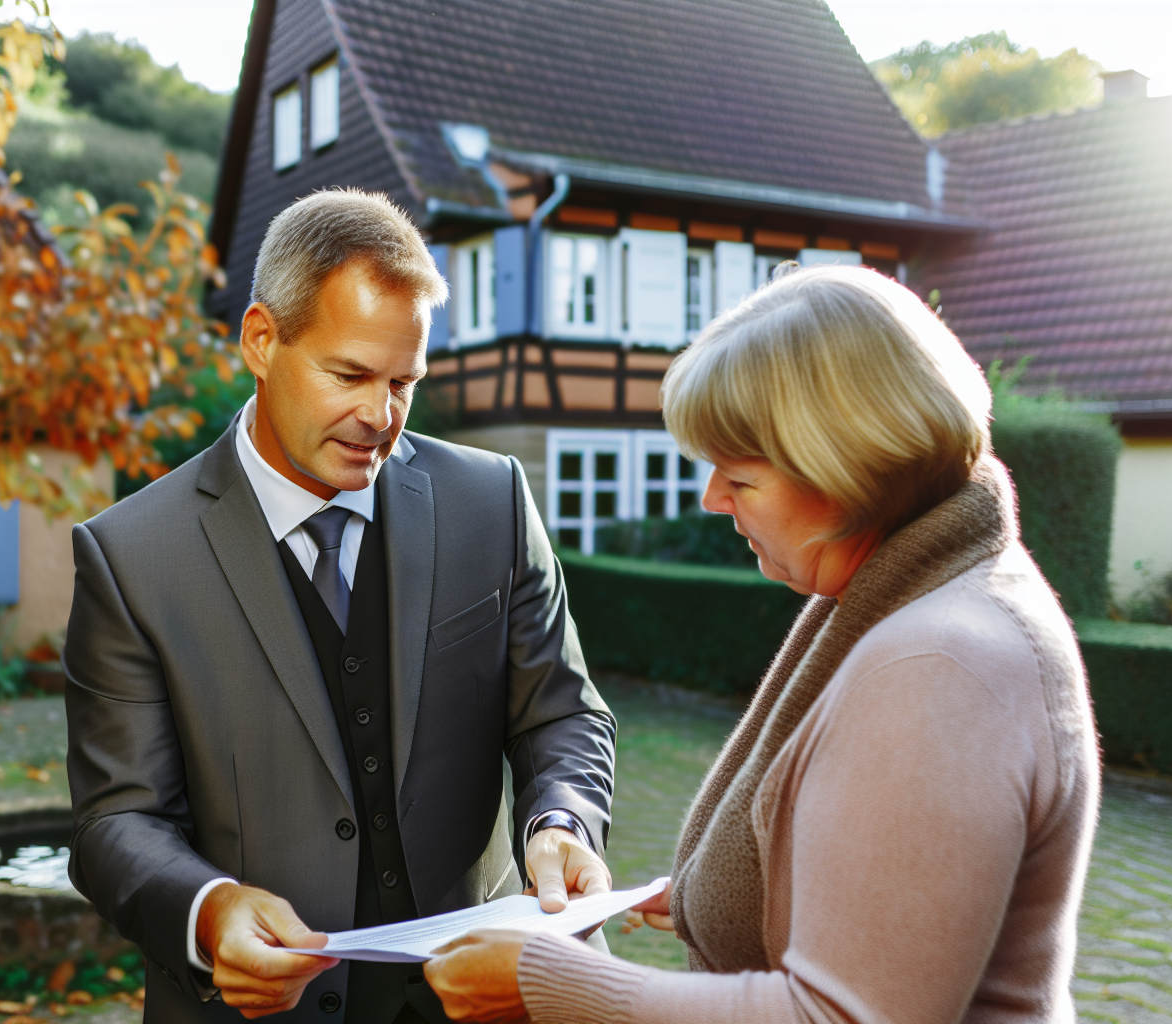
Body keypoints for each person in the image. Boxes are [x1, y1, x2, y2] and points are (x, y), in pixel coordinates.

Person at [423, 265, 1099, 1024]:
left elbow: (843, 1016)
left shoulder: (941, 666)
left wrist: (547, 983)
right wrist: (737, 896)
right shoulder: (921, 598)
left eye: (740, 478)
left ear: (849, 469)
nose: (711, 498)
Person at [62, 188, 617, 1024]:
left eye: (405, 381)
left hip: (487, 1001)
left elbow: (560, 714)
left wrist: (562, 818)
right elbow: (117, 820)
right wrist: (208, 910)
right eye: (350, 374)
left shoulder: (492, 501)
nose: (380, 416)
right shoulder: (130, 556)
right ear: (260, 339)